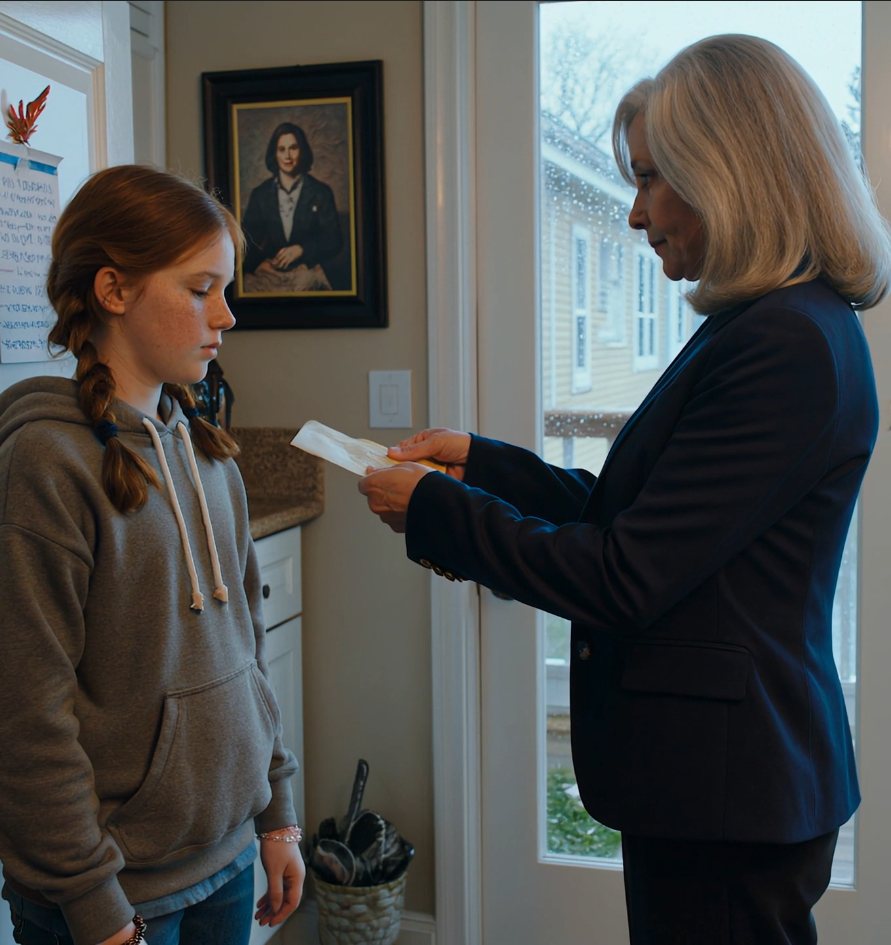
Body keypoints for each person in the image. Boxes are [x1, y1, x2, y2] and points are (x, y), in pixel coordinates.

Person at [358, 35, 891, 944]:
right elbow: (648, 514)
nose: (636, 212)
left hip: (729, 795)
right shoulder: (763, 322)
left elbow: (625, 573)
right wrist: (483, 464)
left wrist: (439, 511)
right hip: (718, 786)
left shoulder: (785, 341)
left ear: (727, 173)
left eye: (649, 178)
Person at [0, 166, 305, 945]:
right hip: (111, 897)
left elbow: (246, 651)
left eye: (225, 289)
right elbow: (22, 719)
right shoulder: (41, 469)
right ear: (113, 289)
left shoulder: (207, 454)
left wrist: (277, 813)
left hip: (227, 859)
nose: (226, 315)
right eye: (200, 289)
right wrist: (96, 908)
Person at [240, 121, 343, 292]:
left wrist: (302, 249)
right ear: (274, 154)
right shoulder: (261, 194)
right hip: (270, 274)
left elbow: (334, 240)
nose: (287, 155)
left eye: (293, 148)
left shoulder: (321, 192)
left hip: (307, 272)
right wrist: (257, 265)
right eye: (282, 149)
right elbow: (247, 241)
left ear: (302, 151)